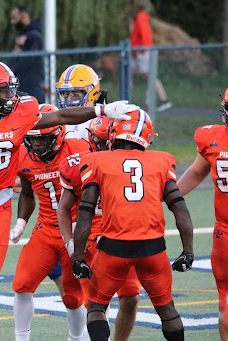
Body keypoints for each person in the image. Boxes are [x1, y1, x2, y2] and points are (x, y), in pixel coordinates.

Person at [0, 59, 138, 340]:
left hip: (29, 213)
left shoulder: (33, 116)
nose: (11, 97)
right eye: (3, 92)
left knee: (10, 284)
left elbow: (65, 124)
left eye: (11, 90)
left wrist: (103, 110)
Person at [72, 109, 194, 341]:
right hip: (153, 248)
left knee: (97, 308)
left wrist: (78, 257)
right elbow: (180, 209)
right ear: (146, 136)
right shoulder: (161, 160)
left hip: (113, 248)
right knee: (167, 310)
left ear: (114, 131)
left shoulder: (96, 160)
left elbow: (85, 212)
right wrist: (187, 251)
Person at [9, 104, 91, 341]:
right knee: (22, 284)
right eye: (33, 140)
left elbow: (95, 188)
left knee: (73, 296)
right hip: (45, 229)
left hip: (76, 230)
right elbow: (26, 192)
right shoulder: (24, 157)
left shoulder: (77, 149)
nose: (36, 146)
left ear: (58, 135)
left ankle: (76, 338)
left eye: (43, 140)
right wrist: (21, 222)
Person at [58, 116, 140, 341]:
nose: (104, 146)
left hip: (123, 236)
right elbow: (63, 208)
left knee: (131, 297)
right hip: (90, 239)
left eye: (108, 141)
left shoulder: (130, 165)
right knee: (95, 305)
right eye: (99, 141)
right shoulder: (77, 165)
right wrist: (70, 242)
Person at [177, 87, 228, 340]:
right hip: (225, 231)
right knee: (225, 304)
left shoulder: (214, 137)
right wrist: (172, 195)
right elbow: (198, 171)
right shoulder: (213, 140)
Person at [130, 0, 172, 112]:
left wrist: (141, 51)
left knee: (150, 75)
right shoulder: (139, 18)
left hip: (143, 52)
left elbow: (144, 36)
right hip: (139, 51)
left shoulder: (140, 18)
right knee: (131, 70)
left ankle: (162, 99)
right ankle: (132, 97)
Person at [56, 64, 105, 140]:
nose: (69, 100)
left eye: (75, 95)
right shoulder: (57, 122)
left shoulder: (102, 121)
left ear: (92, 93)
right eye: (66, 94)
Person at [10, 5, 45, 103]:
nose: (12, 22)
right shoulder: (19, 35)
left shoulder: (34, 36)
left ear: (23, 16)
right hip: (19, 84)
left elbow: (30, 59)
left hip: (32, 85)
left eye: (14, 18)